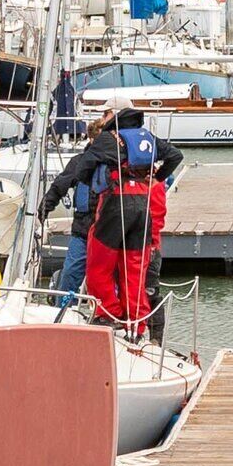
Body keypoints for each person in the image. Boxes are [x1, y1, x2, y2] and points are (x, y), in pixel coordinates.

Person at [36, 105, 180, 334]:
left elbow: (82, 171)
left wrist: (94, 178)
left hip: (111, 212)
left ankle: (108, 315)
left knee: (99, 269)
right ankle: (136, 326)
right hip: (130, 216)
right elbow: (175, 155)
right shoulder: (145, 149)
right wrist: (155, 178)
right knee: (132, 274)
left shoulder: (106, 148)